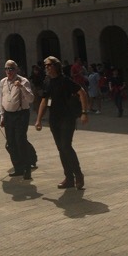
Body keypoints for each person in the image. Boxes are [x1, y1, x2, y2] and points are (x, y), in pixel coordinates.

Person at [35, 56, 89, 189]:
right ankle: (69, 178)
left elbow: (82, 93)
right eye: (45, 66)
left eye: (49, 65)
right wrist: (38, 120)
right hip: (54, 120)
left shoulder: (65, 81)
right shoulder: (47, 81)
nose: (46, 67)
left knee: (66, 146)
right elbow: (44, 101)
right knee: (61, 148)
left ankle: (78, 175)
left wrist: (84, 112)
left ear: (56, 66)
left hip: (67, 118)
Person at [0, 60, 34, 180]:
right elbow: (1, 100)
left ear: (16, 69)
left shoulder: (23, 81)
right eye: (6, 69)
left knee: (20, 141)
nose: (9, 71)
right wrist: (2, 116)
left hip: (21, 114)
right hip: (8, 115)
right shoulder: (3, 82)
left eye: (11, 69)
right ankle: (18, 167)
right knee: (11, 142)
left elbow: (31, 99)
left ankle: (27, 168)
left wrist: (21, 87)